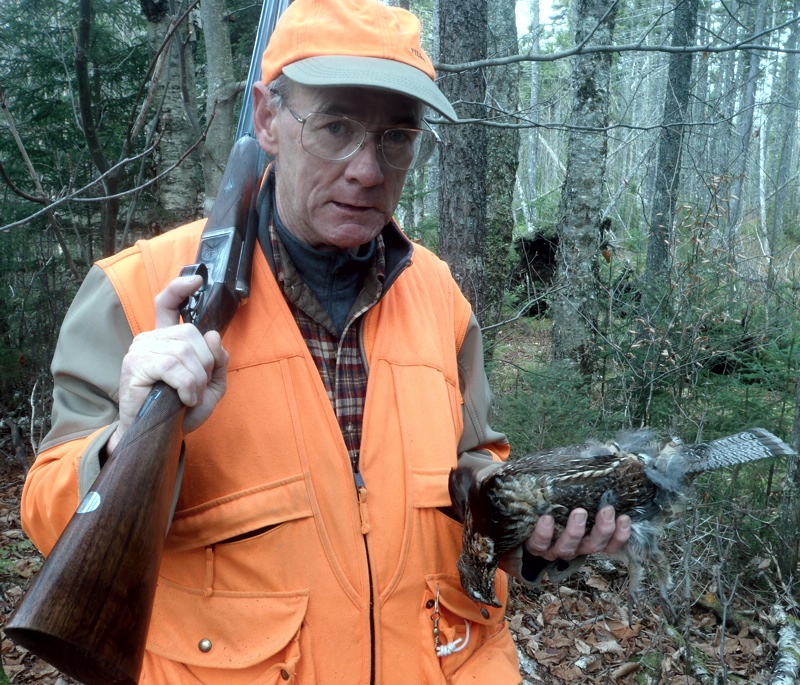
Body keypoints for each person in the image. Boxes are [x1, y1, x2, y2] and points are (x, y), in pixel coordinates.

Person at [20, 1, 631, 683]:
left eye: (397, 137)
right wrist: (126, 436)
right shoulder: (138, 292)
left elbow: (474, 461)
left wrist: (525, 522)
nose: (368, 170)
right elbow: (48, 513)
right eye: (336, 127)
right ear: (267, 118)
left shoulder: (440, 296)